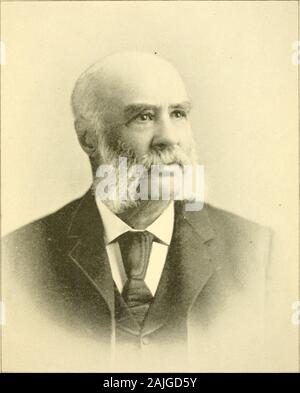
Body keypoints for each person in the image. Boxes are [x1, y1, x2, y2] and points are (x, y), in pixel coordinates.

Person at [2, 52, 272, 371]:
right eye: (143, 117)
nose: (169, 138)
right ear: (88, 138)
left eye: (178, 113)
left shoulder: (258, 251)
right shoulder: (17, 257)